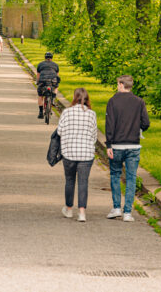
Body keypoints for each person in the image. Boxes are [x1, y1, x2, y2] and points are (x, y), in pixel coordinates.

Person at [105, 74, 150, 221]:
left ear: (121, 85)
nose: (117, 86)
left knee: (115, 175)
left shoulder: (113, 101)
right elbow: (146, 123)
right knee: (131, 178)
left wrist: (109, 144)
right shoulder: (139, 102)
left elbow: (110, 124)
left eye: (118, 84)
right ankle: (128, 212)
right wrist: (137, 128)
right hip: (133, 145)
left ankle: (116, 207)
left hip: (117, 145)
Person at [57, 88, 97, 222]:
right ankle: (82, 212)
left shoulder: (67, 112)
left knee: (69, 180)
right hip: (86, 153)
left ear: (75, 97)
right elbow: (94, 135)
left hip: (69, 152)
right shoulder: (91, 114)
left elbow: (60, 131)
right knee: (83, 182)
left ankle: (69, 209)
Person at [35, 52, 60, 119]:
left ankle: (40, 112)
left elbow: (38, 75)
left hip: (43, 81)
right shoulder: (55, 65)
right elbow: (57, 76)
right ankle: (53, 98)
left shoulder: (40, 64)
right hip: (52, 81)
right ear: (52, 58)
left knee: (40, 95)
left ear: (45, 58)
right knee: (56, 87)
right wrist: (57, 82)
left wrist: (37, 82)